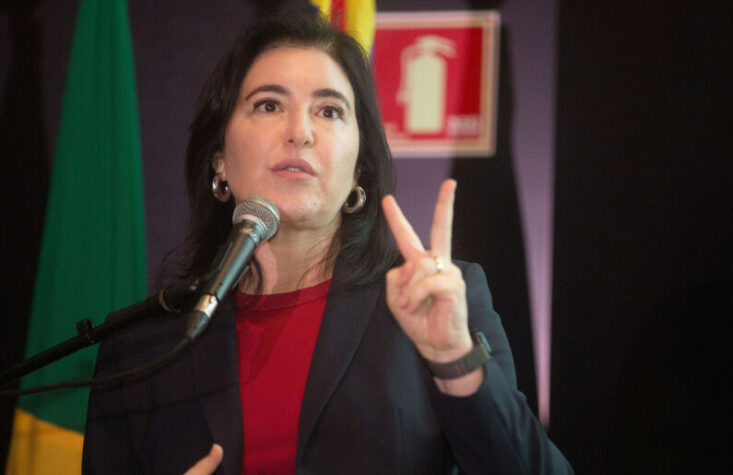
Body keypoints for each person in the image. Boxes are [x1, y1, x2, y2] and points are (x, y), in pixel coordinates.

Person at [82, 11, 572, 475]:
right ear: (219, 160)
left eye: (330, 111)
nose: (300, 132)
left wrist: (455, 360)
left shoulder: (437, 305)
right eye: (268, 105)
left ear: (358, 169)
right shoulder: (142, 347)